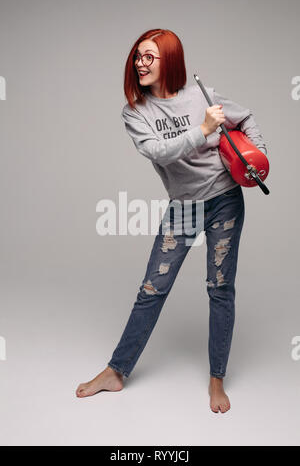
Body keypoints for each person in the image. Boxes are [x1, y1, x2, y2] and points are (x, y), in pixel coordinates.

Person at [76, 29, 267, 413]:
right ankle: (117, 371)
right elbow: (161, 153)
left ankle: (217, 379)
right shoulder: (136, 112)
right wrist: (204, 130)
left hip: (225, 200)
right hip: (184, 207)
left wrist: (256, 158)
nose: (140, 63)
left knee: (220, 288)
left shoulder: (200, 96)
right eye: (137, 57)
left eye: (149, 57)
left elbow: (245, 117)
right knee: (152, 290)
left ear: (170, 60)